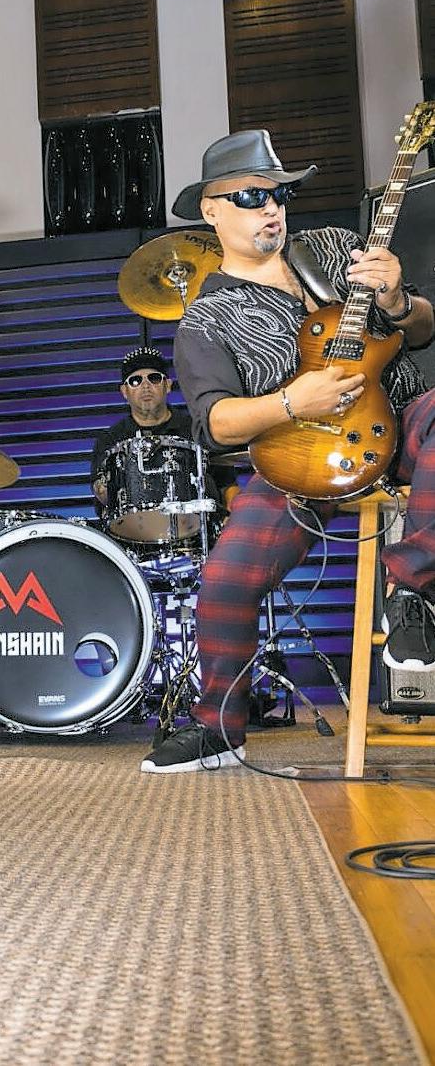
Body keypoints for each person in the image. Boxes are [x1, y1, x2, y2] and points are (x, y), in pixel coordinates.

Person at [140, 128, 435, 775]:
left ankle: (412, 594)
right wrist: (291, 403)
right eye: (249, 196)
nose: (270, 207)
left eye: (277, 194)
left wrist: (397, 300)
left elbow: (420, 330)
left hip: (404, 421)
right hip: (299, 457)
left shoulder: (333, 247)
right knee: (224, 582)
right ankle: (218, 731)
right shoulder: (206, 320)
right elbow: (215, 423)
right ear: (211, 210)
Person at [90, 346, 194, 501]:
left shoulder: (194, 429)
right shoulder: (109, 440)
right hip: (132, 517)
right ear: (124, 391)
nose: (145, 386)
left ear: (168, 385)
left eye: (154, 378)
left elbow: (222, 482)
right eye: (135, 381)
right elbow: (103, 495)